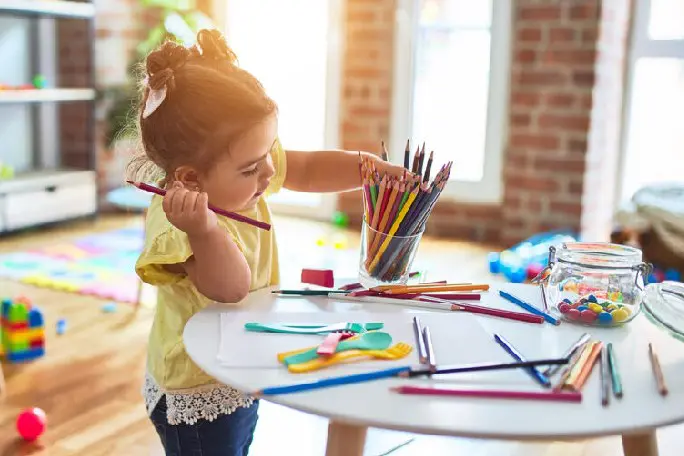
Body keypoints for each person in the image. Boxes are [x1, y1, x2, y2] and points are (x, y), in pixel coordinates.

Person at [130, 29, 407, 455]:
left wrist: (369, 169)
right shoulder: (176, 224)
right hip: (198, 386)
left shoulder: (244, 171)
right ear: (190, 179)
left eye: (268, 155)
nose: (268, 174)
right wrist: (204, 229)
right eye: (251, 168)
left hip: (238, 364)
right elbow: (231, 287)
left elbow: (309, 168)